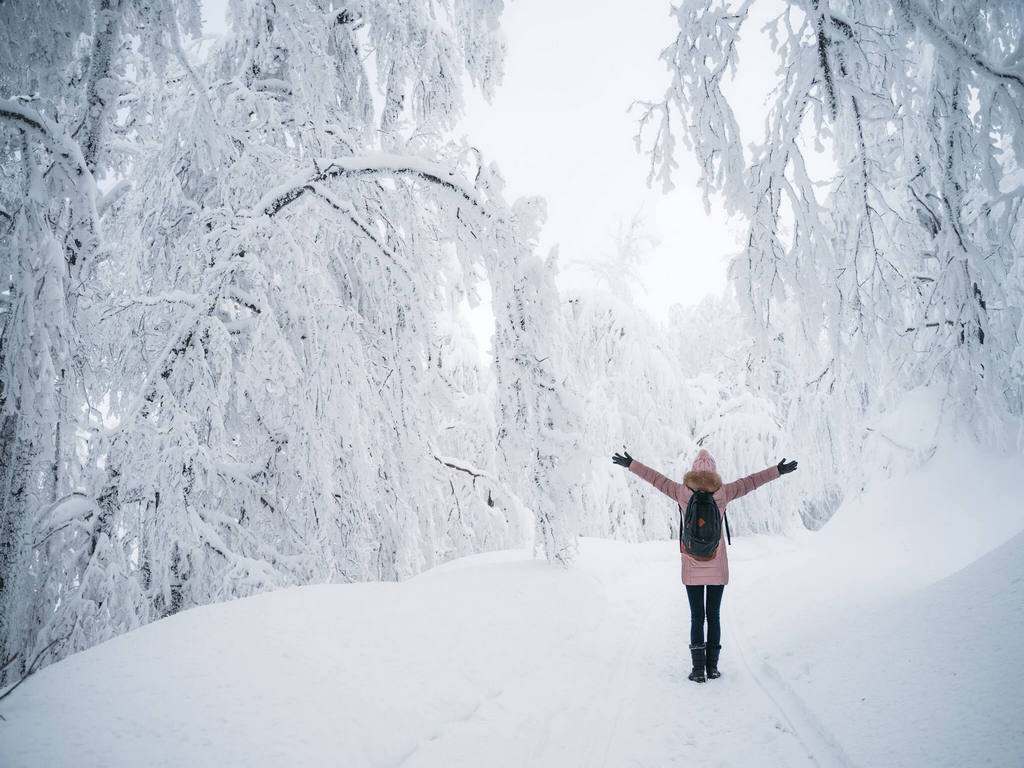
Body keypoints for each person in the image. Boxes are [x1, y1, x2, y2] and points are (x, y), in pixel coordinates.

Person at [611, 447, 797, 683]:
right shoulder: (723, 492)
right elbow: (751, 482)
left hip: (692, 565)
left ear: (693, 471)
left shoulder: (682, 492)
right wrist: (777, 470)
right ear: (714, 472)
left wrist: (631, 464)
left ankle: (698, 670)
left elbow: (656, 479)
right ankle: (713, 668)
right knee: (714, 616)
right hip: (716, 565)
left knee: (697, 617)